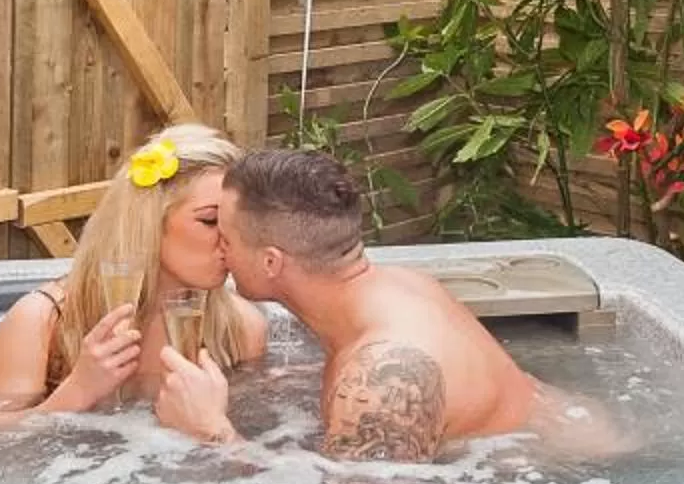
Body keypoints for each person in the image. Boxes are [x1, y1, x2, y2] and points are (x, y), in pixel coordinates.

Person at [156, 148, 540, 460]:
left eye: (225, 237)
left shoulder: (386, 374)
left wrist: (212, 430)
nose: (218, 249)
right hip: (543, 440)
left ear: (271, 261)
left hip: (540, 472)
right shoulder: (400, 287)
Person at [0, 123, 268, 429]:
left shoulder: (240, 329)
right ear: (148, 222)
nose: (230, 237)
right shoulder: (42, 322)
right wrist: (77, 392)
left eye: (236, 223)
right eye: (210, 220)